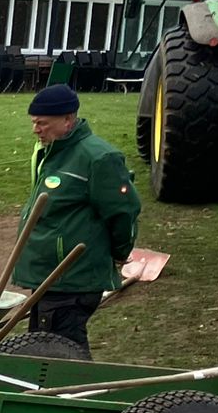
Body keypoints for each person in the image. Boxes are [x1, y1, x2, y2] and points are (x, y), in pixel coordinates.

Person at [12, 84, 140, 352]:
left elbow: (123, 211)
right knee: (42, 345)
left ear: (68, 120)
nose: (36, 129)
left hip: (72, 278)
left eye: (42, 123)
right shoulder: (52, 153)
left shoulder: (98, 158)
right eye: (34, 122)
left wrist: (120, 252)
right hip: (48, 276)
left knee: (62, 350)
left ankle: (80, 381)